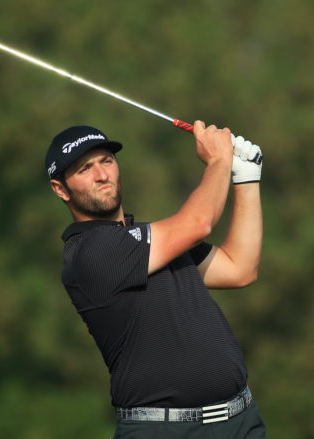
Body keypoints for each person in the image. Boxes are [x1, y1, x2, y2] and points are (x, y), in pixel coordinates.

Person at [45, 120, 265, 438]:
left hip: (240, 421)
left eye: (106, 161)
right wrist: (219, 160)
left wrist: (246, 178)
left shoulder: (149, 242)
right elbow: (199, 223)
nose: (101, 175)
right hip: (162, 430)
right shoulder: (89, 253)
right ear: (60, 189)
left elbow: (239, 268)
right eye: (84, 169)